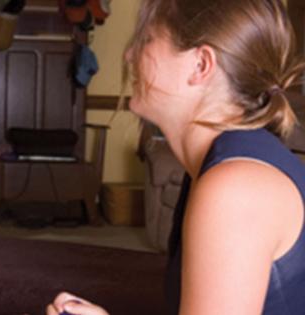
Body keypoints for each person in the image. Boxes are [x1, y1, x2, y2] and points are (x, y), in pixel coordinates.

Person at [47, 0, 305, 314]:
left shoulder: (235, 189)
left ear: (200, 65)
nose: (129, 55)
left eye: (146, 41)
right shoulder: (222, 166)